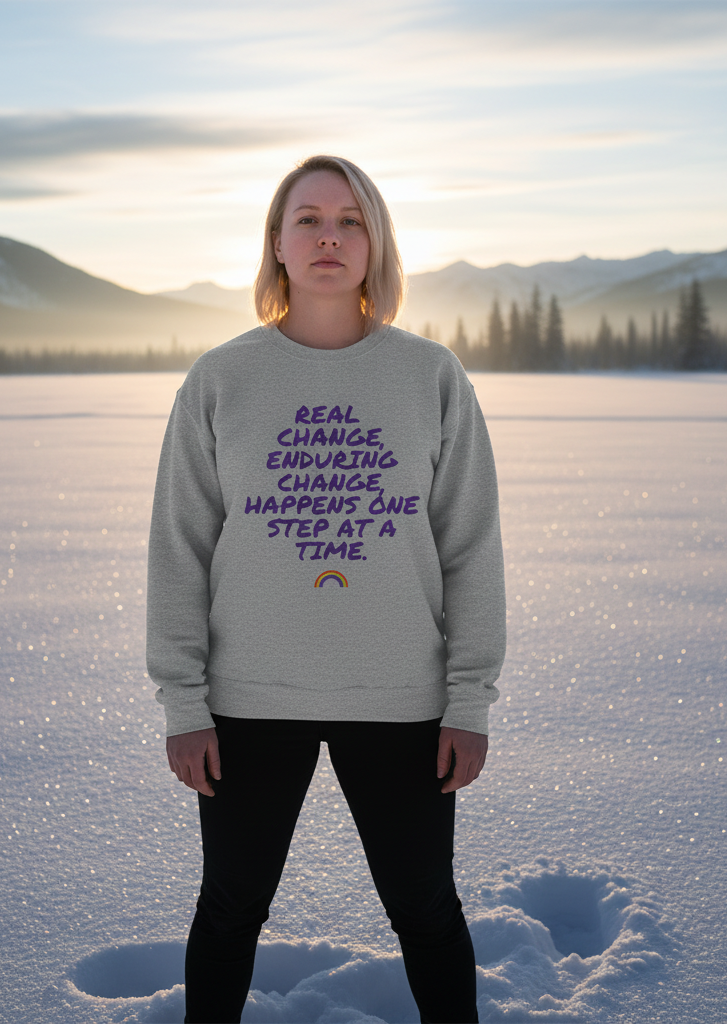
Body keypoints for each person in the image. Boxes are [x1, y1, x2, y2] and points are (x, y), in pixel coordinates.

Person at [147, 155, 506, 1023]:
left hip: (403, 700)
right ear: (275, 242)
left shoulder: (431, 377)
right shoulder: (221, 379)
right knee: (230, 910)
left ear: (375, 241)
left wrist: (470, 699)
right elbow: (179, 548)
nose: (329, 237)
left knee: (425, 911)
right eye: (307, 219)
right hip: (248, 701)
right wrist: (183, 704)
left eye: (350, 220)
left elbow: (471, 547)